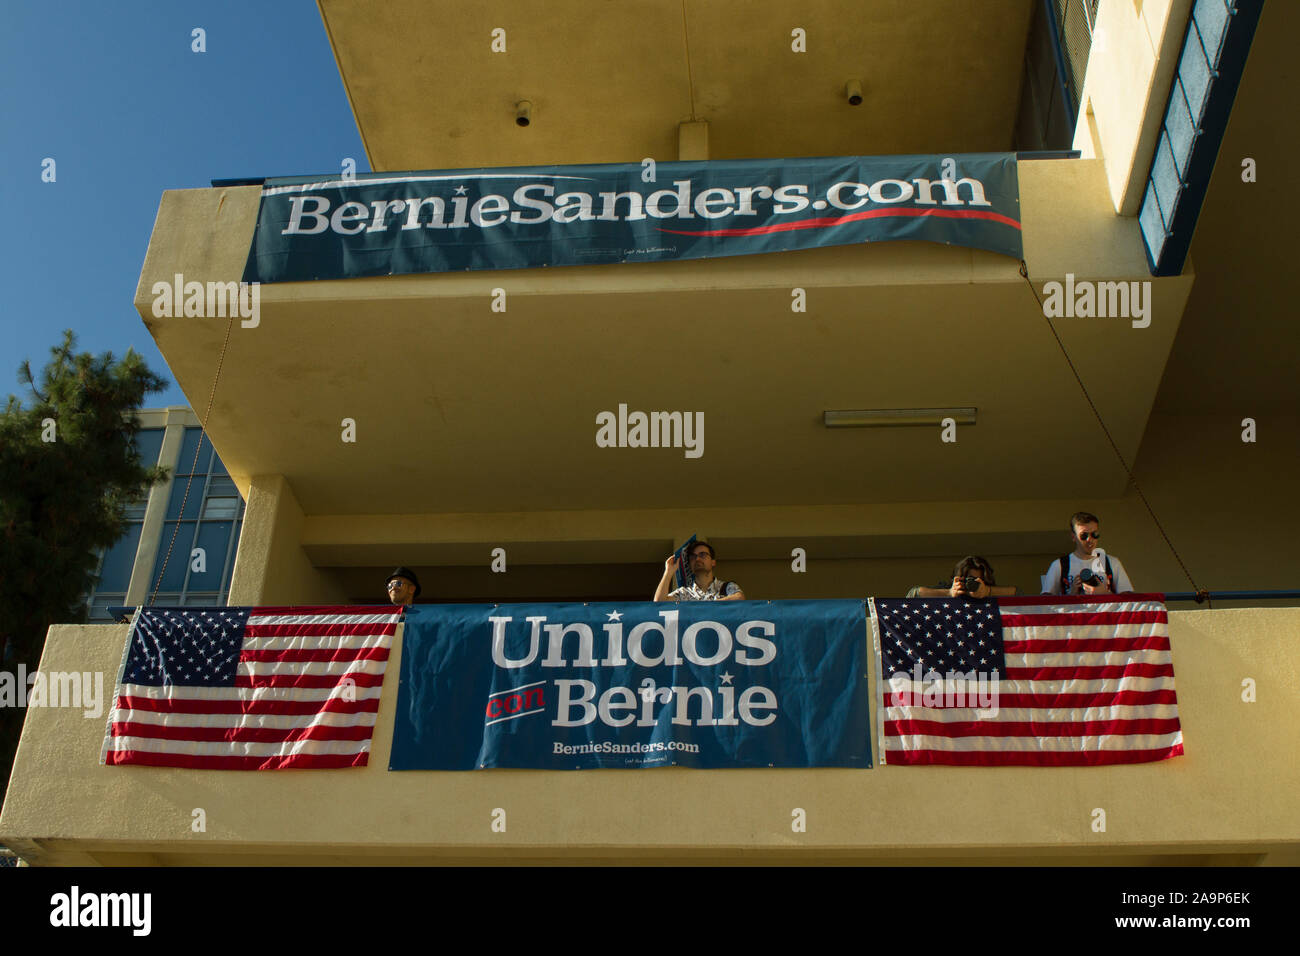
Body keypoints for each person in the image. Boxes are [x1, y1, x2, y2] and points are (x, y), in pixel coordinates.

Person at [1041, 512, 1134, 595]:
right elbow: (1046, 604)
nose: (1089, 539)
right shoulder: (1059, 565)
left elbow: (1129, 601)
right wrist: (1071, 594)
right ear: (1073, 537)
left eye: (1094, 534)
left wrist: (1106, 593)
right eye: (1084, 535)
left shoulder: (1112, 563)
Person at [653, 540, 745, 602]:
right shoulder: (684, 593)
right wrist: (668, 572)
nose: (697, 559)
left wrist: (709, 605)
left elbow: (740, 598)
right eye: (693, 557)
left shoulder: (726, 587)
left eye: (703, 555)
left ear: (713, 562)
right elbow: (659, 602)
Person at [908, 555, 1017, 599]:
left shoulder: (991, 594)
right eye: (968, 579)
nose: (972, 583)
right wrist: (949, 593)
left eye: (977, 580)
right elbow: (914, 594)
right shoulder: (949, 590)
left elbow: (1018, 594)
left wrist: (987, 591)